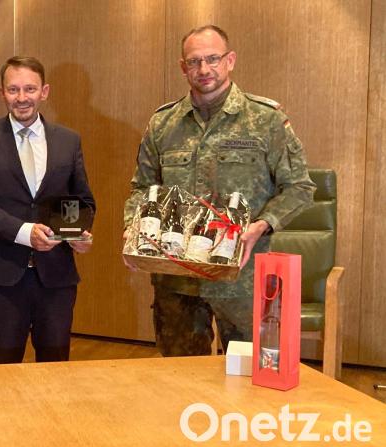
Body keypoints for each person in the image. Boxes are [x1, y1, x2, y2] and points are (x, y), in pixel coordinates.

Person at [123, 25, 315, 356]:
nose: (204, 69)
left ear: (230, 60)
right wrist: (132, 227)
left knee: (247, 379)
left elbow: (299, 187)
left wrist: (262, 224)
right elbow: (143, 188)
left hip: (242, 277)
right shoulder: (163, 124)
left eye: (213, 59)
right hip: (177, 278)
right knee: (179, 378)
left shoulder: (265, 120)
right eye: (194, 61)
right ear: (183, 67)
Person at [0, 56, 96, 364]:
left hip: (57, 276)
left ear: (44, 91)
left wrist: (80, 234)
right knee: (2, 365)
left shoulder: (68, 140)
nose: (22, 98)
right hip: (2, 274)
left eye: (30, 89)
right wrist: (24, 233)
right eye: (13, 89)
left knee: (55, 363)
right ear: (2, 93)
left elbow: (83, 200)